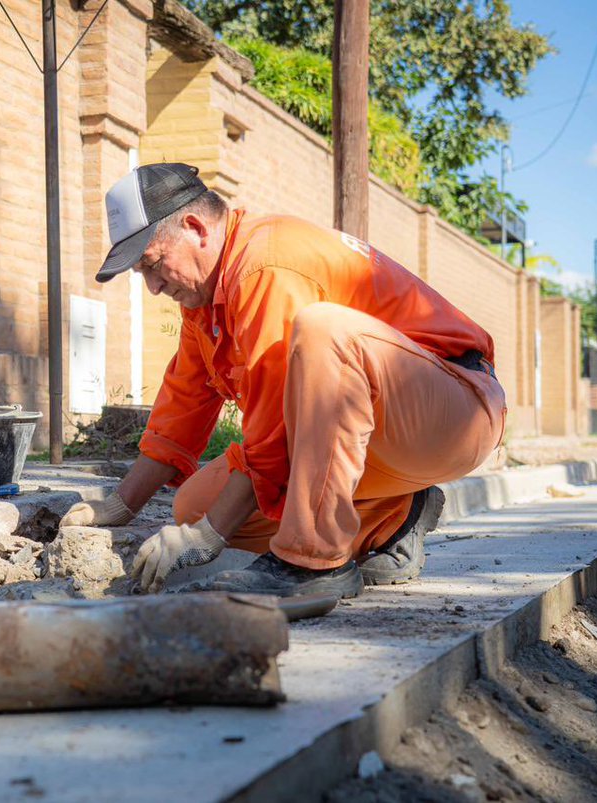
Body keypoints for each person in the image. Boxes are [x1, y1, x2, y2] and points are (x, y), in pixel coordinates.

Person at [60, 163, 506, 598]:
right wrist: (121, 505)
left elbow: (272, 431)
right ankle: (394, 516)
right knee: (193, 506)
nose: (153, 286)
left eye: (153, 264)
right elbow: (182, 409)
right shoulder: (204, 300)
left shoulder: (263, 265)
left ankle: (314, 562)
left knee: (324, 332)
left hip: (455, 409)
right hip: (378, 434)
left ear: (196, 227)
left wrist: (211, 535)